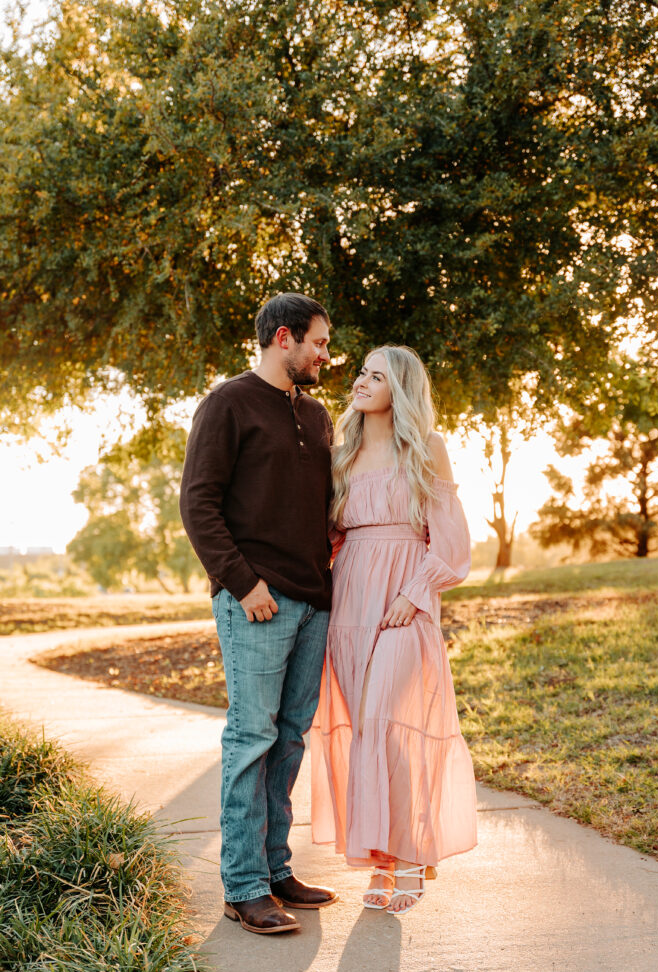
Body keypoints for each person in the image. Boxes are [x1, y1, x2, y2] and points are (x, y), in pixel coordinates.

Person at [180, 293, 338, 935]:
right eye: (319, 343)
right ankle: (242, 885)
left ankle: (274, 869)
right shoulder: (227, 403)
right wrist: (243, 585)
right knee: (252, 740)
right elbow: (199, 504)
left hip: (314, 600)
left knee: (291, 738)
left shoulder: (319, 414)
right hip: (257, 605)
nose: (326, 355)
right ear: (284, 338)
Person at [310, 345, 478, 914]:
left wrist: (416, 591)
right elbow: (330, 537)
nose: (360, 382)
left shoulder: (426, 448)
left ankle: (409, 856)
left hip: (405, 599)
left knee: (391, 725)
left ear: (399, 389)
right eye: (360, 372)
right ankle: (380, 860)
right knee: (364, 732)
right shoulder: (341, 453)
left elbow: (450, 536)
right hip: (350, 597)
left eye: (375, 376)